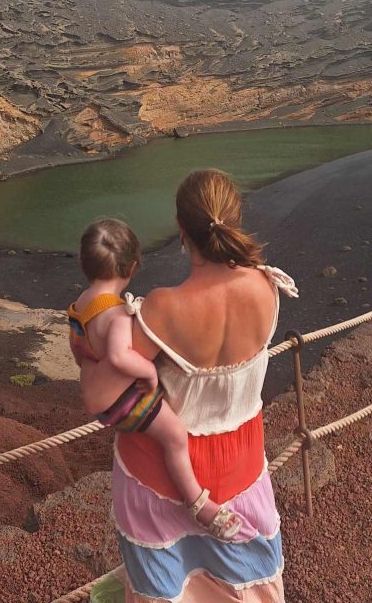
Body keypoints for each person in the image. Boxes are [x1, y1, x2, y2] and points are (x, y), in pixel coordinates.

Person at [107, 169, 298, 602]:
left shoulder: (163, 308)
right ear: (234, 217)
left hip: (161, 479)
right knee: (247, 583)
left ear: (181, 229)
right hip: (241, 467)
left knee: (165, 587)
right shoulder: (267, 288)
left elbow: (114, 388)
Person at [67, 218, 243, 539]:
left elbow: (79, 348)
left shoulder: (80, 305)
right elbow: (120, 356)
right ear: (132, 267)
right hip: (123, 403)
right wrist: (148, 373)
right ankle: (198, 504)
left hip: (95, 398)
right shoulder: (118, 314)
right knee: (174, 436)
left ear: (83, 262)